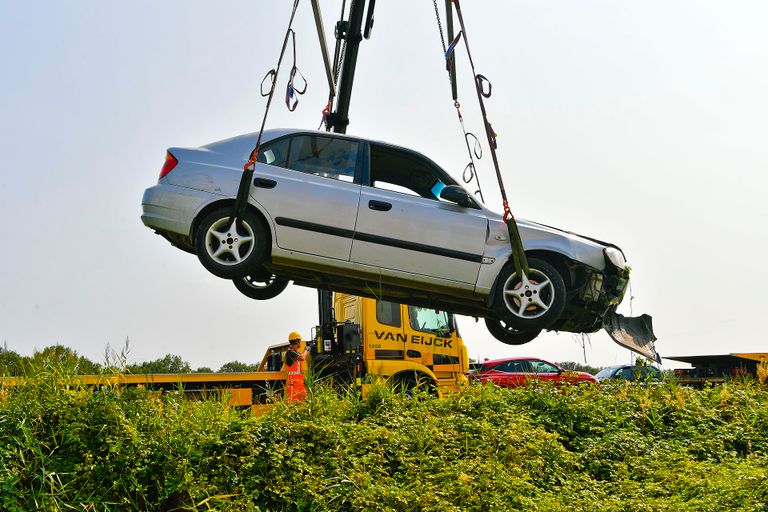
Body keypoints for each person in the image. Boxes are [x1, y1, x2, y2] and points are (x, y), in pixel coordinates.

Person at [284, 331, 308, 402]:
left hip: (299, 384)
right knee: (293, 403)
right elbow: (302, 358)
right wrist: (306, 350)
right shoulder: (290, 353)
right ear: (297, 341)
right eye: (299, 341)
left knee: (304, 402)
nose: (300, 342)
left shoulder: (296, 353)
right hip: (293, 384)